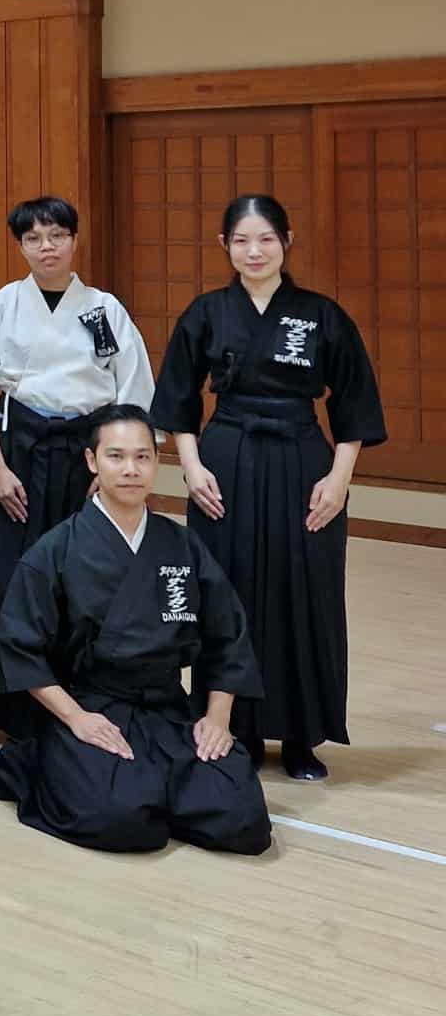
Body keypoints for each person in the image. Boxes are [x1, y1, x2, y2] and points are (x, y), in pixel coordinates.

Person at [151, 193, 385, 780]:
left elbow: (355, 403)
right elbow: (177, 397)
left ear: (286, 241)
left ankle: (303, 735)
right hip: (224, 461)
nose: (254, 251)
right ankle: (234, 728)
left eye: (265, 239)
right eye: (241, 241)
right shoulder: (206, 312)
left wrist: (339, 477)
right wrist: (192, 466)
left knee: (305, 589)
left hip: (304, 460)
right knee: (225, 591)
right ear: (224, 247)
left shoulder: (321, 314)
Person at [0, 405, 271, 854]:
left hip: (169, 709)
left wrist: (217, 718)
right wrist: (76, 718)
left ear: (156, 462)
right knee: (123, 824)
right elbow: (20, 646)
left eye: (143, 457)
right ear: (92, 461)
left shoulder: (181, 543)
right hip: (94, 707)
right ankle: (41, 761)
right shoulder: (56, 549)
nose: (130, 470)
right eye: (116, 457)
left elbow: (228, 634)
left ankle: (151, 785)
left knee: (241, 822)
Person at [0, 196, 154, 734]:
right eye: (35, 238)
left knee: (87, 580)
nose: (47, 247)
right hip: (17, 453)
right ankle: (10, 707)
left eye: (57, 235)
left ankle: (88, 699)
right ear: (20, 245)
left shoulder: (103, 311)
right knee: (7, 577)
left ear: (74, 239)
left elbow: (131, 392)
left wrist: (106, 470)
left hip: (87, 457)